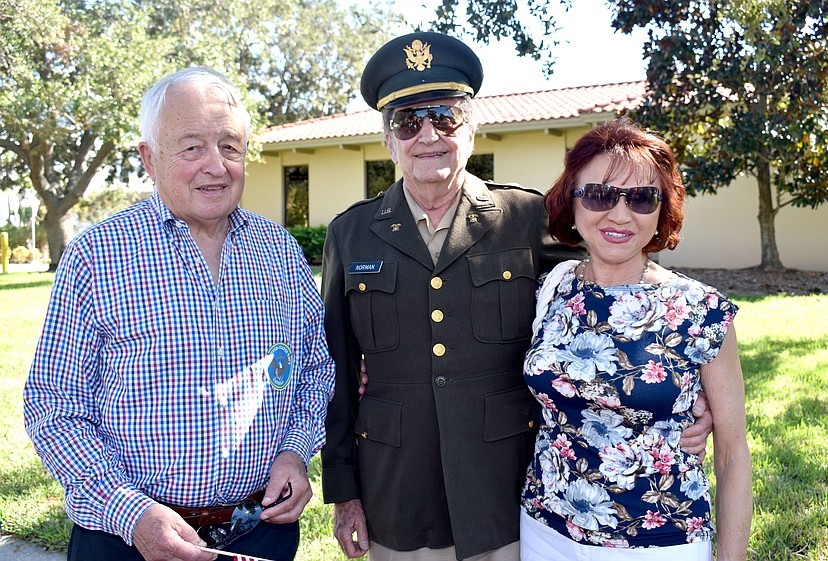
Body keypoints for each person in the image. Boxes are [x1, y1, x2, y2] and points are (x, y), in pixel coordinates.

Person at [320, 33, 714, 561]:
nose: (428, 134)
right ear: (388, 139)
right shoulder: (352, 233)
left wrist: (692, 389)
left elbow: (612, 280)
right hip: (396, 489)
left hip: (502, 487)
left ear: (472, 128)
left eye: (445, 115)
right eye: (407, 121)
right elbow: (338, 372)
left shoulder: (525, 218)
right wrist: (344, 494)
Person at [23, 66, 335, 561]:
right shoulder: (97, 255)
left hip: (261, 531)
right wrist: (130, 513)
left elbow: (317, 370)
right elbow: (52, 406)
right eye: (191, 148)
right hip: (126, 538)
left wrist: (296, 451)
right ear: (149, 158)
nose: (216, 166)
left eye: (230, 146)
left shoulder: (280, 251)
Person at [520, 118, 752, 560]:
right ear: (572, 200)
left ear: (662, 210)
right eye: (600, 195)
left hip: (660, 542)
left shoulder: (701, 311)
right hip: (544, 529)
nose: (620, 214)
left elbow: (733, 454)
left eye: (642, 198)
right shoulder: (551, 288)